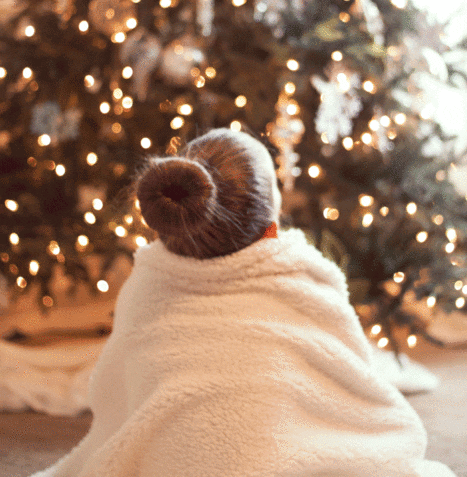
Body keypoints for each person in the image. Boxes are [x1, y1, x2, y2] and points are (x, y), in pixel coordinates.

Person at [31, 127, 456, 477]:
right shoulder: (308, 276)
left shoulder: (146, 285)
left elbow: (118, 397)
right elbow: (352, 381)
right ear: (268, 223)